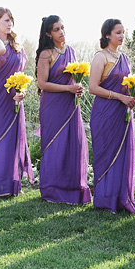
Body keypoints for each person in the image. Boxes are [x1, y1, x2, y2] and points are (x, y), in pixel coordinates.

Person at [35, 15, 91, 204]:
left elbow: (73, 79)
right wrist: (68, 88)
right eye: (57, 29)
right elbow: (42, 83)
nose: (61, 32)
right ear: (48, 34)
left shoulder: (71, 52)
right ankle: (52, 190)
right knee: (54, 146)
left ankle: (73, 188)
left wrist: (77, 88)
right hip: (52, 106)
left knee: (73, 144)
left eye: (63, 28)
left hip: (71, 105)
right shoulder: (46, 54)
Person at [0, 7, 34, 197]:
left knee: (12, 140)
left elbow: (22, 76)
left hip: (14, 100)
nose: (10, 23)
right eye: (5, 20)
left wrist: (22, 92)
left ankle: (11, 185)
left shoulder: (19, 48)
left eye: (11, 20)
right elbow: (0, 49)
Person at [88, 19, 135, 214]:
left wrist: (131, 96)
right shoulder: (100, 57)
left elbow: (126, 84)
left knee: (123, 154)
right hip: (105, 112)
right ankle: (105, 199)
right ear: (107, 35)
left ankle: (122, 198)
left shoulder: (124, 58)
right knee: (106, 154)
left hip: (123, 112)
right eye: (118, 32)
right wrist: (120, 96)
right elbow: (93, 88)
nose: (122, 36)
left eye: (123, 32)